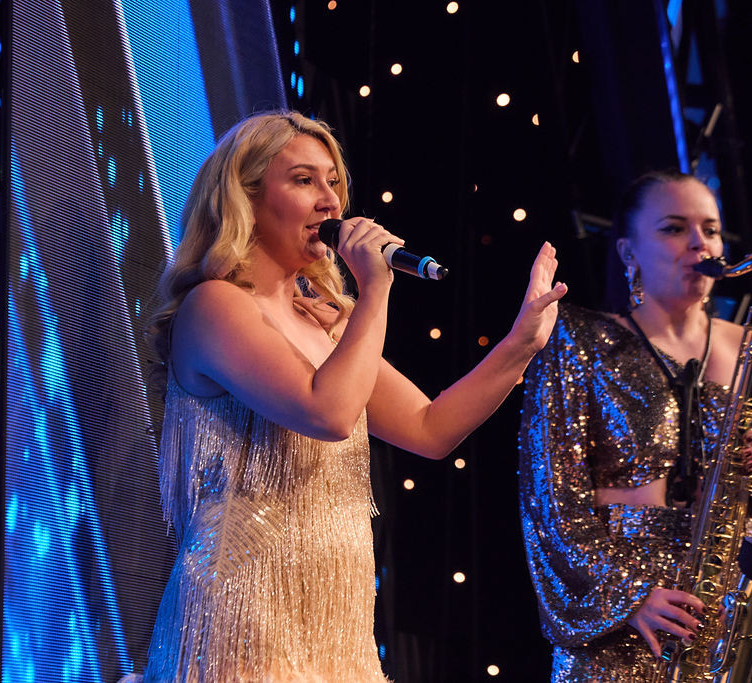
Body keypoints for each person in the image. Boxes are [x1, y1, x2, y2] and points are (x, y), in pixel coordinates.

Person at [139, 110, 567, 681]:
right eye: (304, 180)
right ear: (246, 197)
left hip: (335, 622)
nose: (330, 201)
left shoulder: (325, 321)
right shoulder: (215, 305)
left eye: (334, 182)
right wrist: (375, 292)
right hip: (242, 619)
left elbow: (430, 427)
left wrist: (521, 344)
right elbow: (330, 412)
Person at [518, 170, 752, 681]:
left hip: (732, 612)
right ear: (628, 252)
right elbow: (550, 503)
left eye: (711, 229)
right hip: (622, 619)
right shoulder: (576, 340)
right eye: (674, 228)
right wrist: (627, 595)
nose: (700, 243)